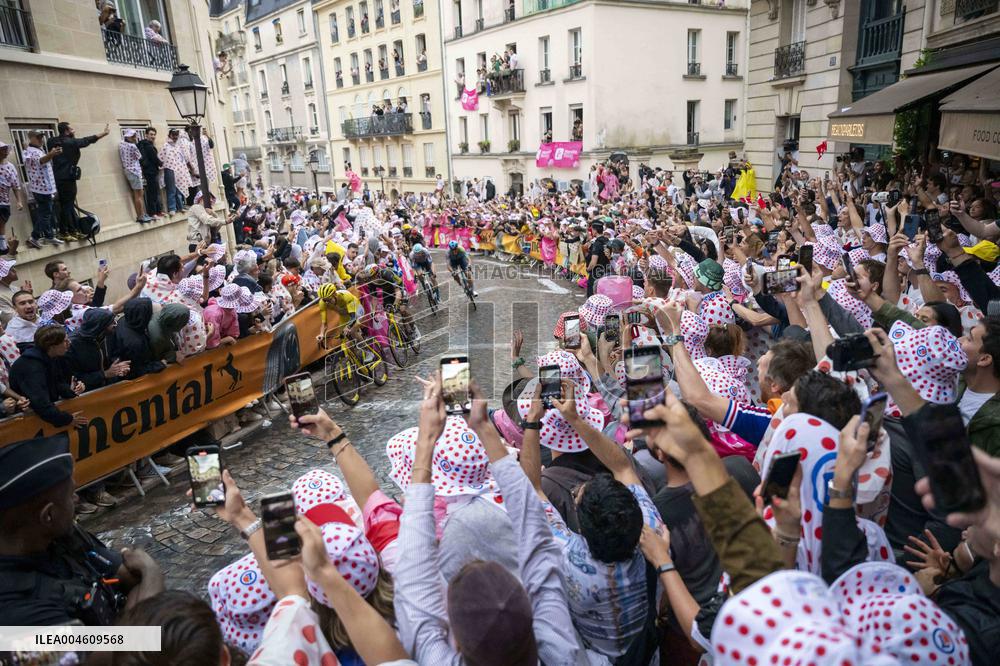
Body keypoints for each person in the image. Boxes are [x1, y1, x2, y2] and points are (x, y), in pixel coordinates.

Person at [0, 434, 164, 624]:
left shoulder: (60, 536)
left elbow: (129, 577)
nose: (77, 500)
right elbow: (134, 648)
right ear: (48, 515)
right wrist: (152, 572)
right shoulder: (17, 611)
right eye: (71, 495)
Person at [8, 325, 86, 428]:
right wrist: (67, 419)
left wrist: (72, 390)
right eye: (65, 341)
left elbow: (57, 383)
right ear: (52, 346)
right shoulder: (31, 367)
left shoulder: (52, 357)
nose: (69, 343)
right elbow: (40, 403)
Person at [47, 121, 110, 242]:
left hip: (58, 177)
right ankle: (63, 232)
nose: (74, 131)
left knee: (69, 205)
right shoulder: (71, 142)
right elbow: (87, 140)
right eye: (72, 129)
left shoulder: (52, 141)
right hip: (67, 177)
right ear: (66, 131)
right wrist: (104, 133)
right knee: (67, 205)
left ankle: (72, 230)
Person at [22, 129, 63, 249]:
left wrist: (51, 154)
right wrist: (52, 154)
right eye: (38, 137)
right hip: (41, 188)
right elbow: (40, 161)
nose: (41, 139)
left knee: (45, 212)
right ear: (31, 138)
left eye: (42, 137)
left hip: (45, 187)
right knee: (45, 213)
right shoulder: (30, 151)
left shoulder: (37, 150)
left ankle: (49, 236)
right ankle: (34, 237)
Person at [120, 129, 150, 223]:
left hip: (128, 170)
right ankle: (141, 216)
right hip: (134, 171)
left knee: (137, 194)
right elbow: (140, 157)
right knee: (139, 194)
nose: (134, 138)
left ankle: (141, 214)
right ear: (128, 137)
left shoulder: (121, 145)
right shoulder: (133, 146)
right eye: (133, 136)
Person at [0, 141, 25, 254]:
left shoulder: (10, 167)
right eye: (3, 150)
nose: (5, 152)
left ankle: (2, 245)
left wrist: (19, 201)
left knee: (2, 222)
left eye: (6, 150)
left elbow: (16, 185)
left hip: (4, 201)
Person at [137, 127, 163, 219]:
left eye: (154, 134)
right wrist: (161, 163)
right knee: (152, 192)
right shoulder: (147, 145)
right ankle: (153, 213)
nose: (153, 136)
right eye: (151, 134)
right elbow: (154, 158)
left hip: (151, 171)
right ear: (146, 135)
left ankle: (158, 211)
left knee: (155, 191)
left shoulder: (146, 144)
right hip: (150, 171)